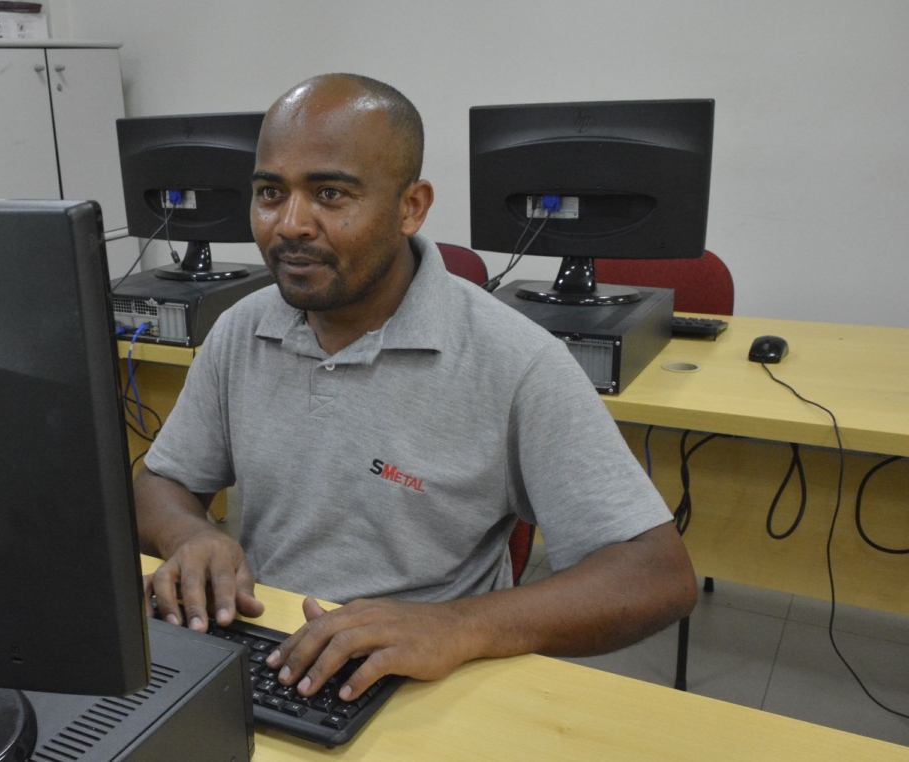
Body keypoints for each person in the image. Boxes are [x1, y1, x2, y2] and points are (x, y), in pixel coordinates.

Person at [135, 73, 696, 705]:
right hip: (266, 654)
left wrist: (457, 625)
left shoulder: (515, 360)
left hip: (423, 681)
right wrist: (191, 536)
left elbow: (657, 576)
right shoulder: (242, 329)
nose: (290, 224)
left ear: (412, 207)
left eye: (330, 193)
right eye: (270, 192)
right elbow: (162, 483)